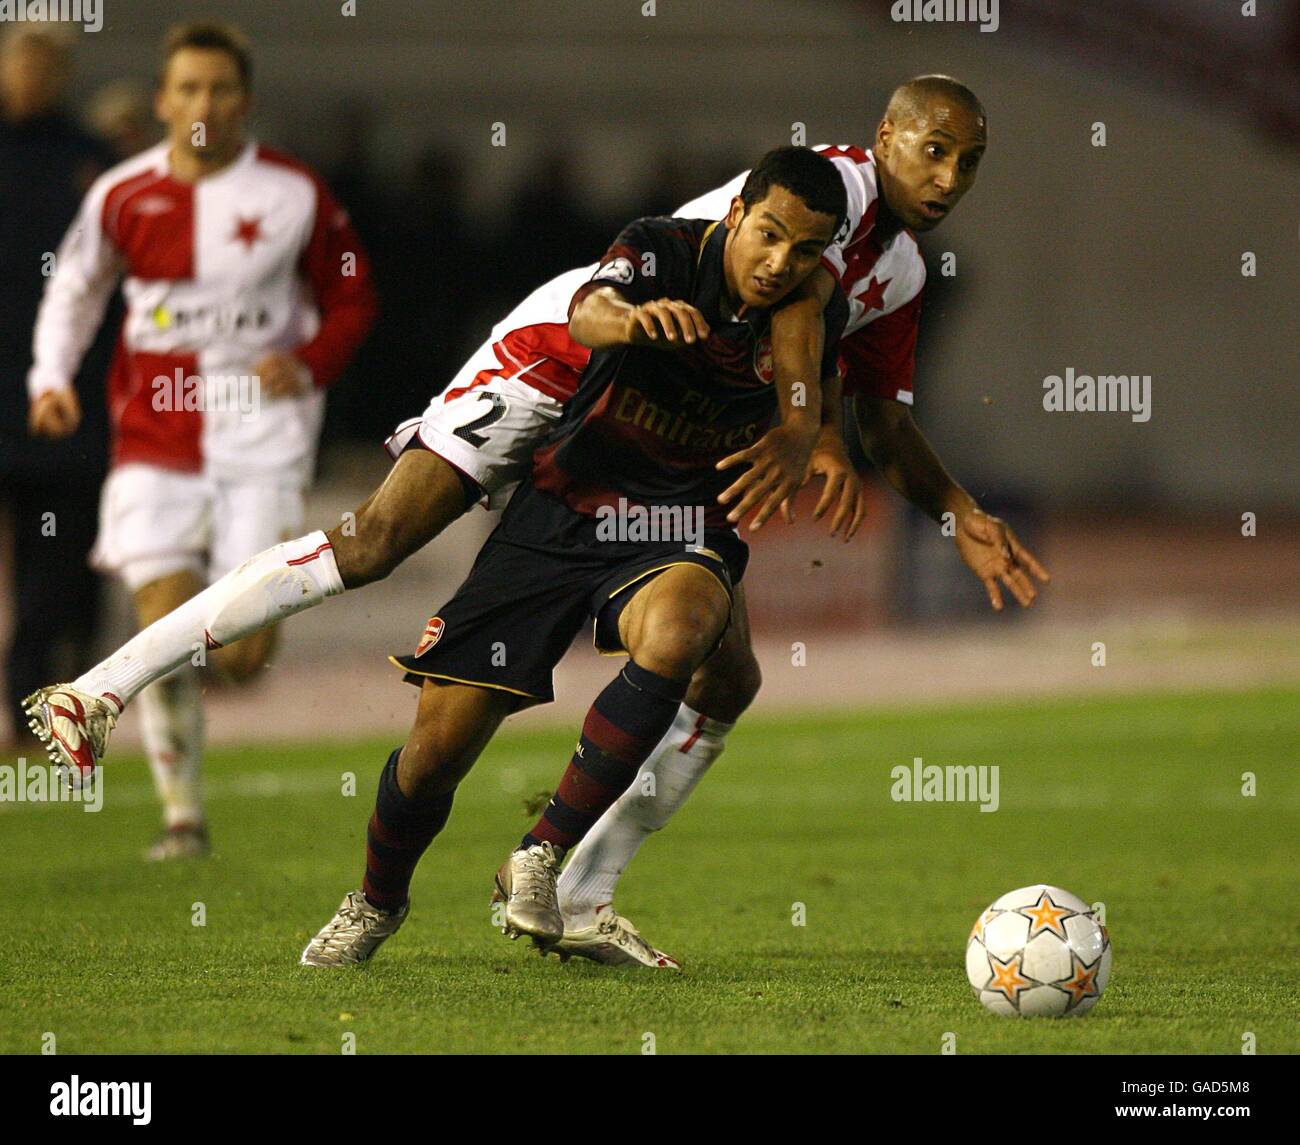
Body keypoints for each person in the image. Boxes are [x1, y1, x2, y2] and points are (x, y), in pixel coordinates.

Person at [29, 77, 1049, 967]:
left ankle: (577, 888)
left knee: (722, 669)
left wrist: (950, 504)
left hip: (664, 440)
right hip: (560, 363)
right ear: (883, 135)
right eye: (935, 147)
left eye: (970, 160)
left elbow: (876, 408)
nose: (951, 174)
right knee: (376, 547)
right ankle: (99, 688)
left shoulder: (900, 272)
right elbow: (787, 315)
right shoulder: (832, 190)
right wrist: (804, 423)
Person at [297, 144, 850, 967]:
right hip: (562, 507)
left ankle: (541, 853)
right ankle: (376, 900)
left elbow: (805, 376)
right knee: (434, 754)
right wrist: (633, 322)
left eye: (806, 248)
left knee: (689, 622)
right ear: (735, 212)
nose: (781, 262)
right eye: (769, 235)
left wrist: (805, 431)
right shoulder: (662, 248)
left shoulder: (809, 296)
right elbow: (589, 310)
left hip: (674, 519)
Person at [23, 22, 377, 859]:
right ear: (162, 99)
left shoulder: (294, 192)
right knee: (160, 611)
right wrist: (49, 379)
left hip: (260, 431)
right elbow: (74, 288)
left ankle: (218, 672)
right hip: (152, 431)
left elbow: (354, 293)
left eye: (219, 89)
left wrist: (311, 358)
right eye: (187, 89)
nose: (203, 105)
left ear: (243, 101)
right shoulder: (121, 193)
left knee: (246, 650)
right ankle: (183, 817)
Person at [0, 27, 113, 756]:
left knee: (60, 559)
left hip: (65, 399)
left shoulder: (90, 163)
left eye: (47, 62)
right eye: (22, 58)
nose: (33, 73)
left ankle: (33, 698)